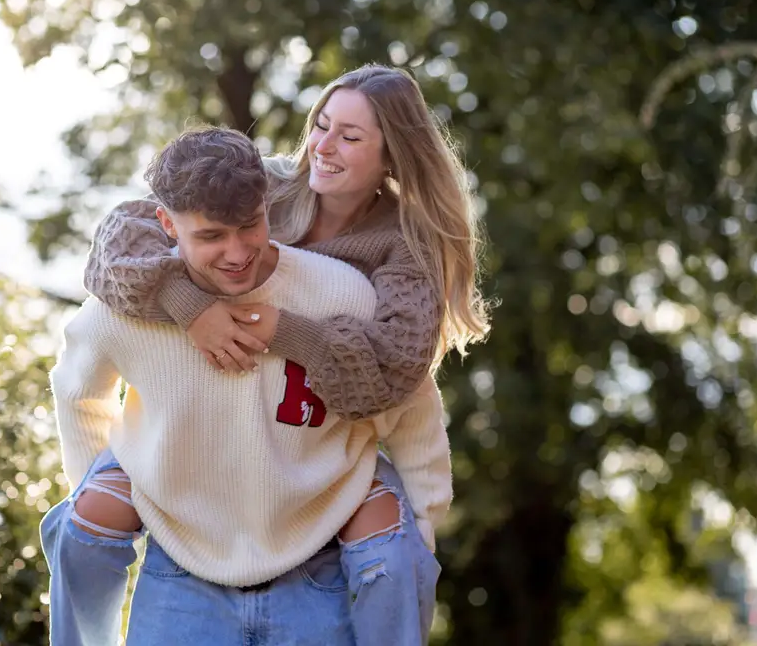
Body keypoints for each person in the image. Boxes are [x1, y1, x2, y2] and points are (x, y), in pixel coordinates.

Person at [41, 127, 451, 646]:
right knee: (78, 522)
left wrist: (424, 527)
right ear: (167, 223)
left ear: (266, 207)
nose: (236, 253)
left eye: (249, 226)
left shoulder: (341, 293)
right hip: (182, 563)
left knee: (394, 555)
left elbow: (411, 408)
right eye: (211, 236)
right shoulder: (125, 311)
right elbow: (77, 390)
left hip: (318, 554)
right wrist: (108, 484)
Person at [83, 63, 489, 422]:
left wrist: (280, 329)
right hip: (198, 412)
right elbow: (117, 239)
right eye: (322, 126)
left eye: (349, 138)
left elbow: (394, 370)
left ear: (392, 157)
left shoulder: (407, 243)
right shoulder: (265, 184)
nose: (322, 147)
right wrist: (193, 309)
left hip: (312, 436)